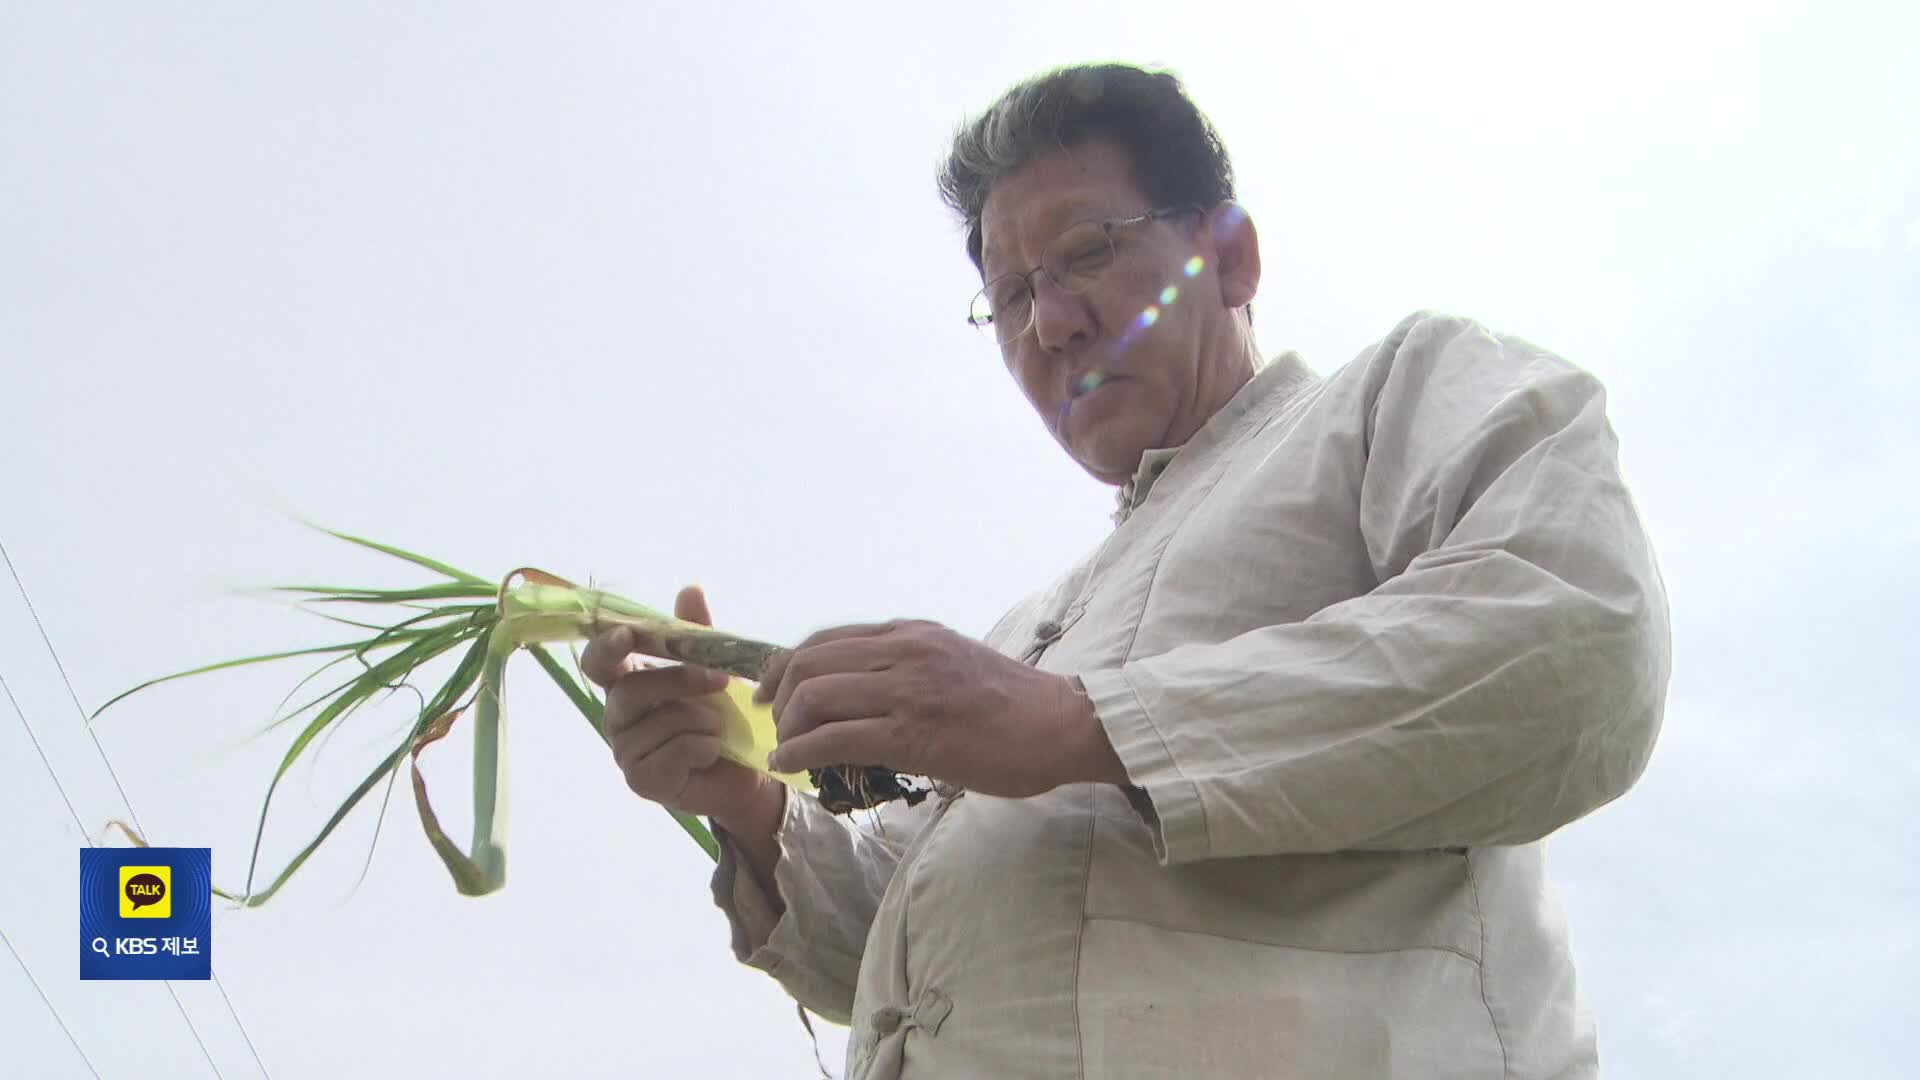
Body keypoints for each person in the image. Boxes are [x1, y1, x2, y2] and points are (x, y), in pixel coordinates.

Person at [581, 62, 1670, 1080]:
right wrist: (751, 809)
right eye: (1009, 297)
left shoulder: (1402, 394)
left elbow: (1577, 629)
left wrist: (1077, 725)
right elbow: (919, 945)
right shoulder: (1035, 631)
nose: (1050, 323)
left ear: (1231, 255)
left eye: (1090, 252)